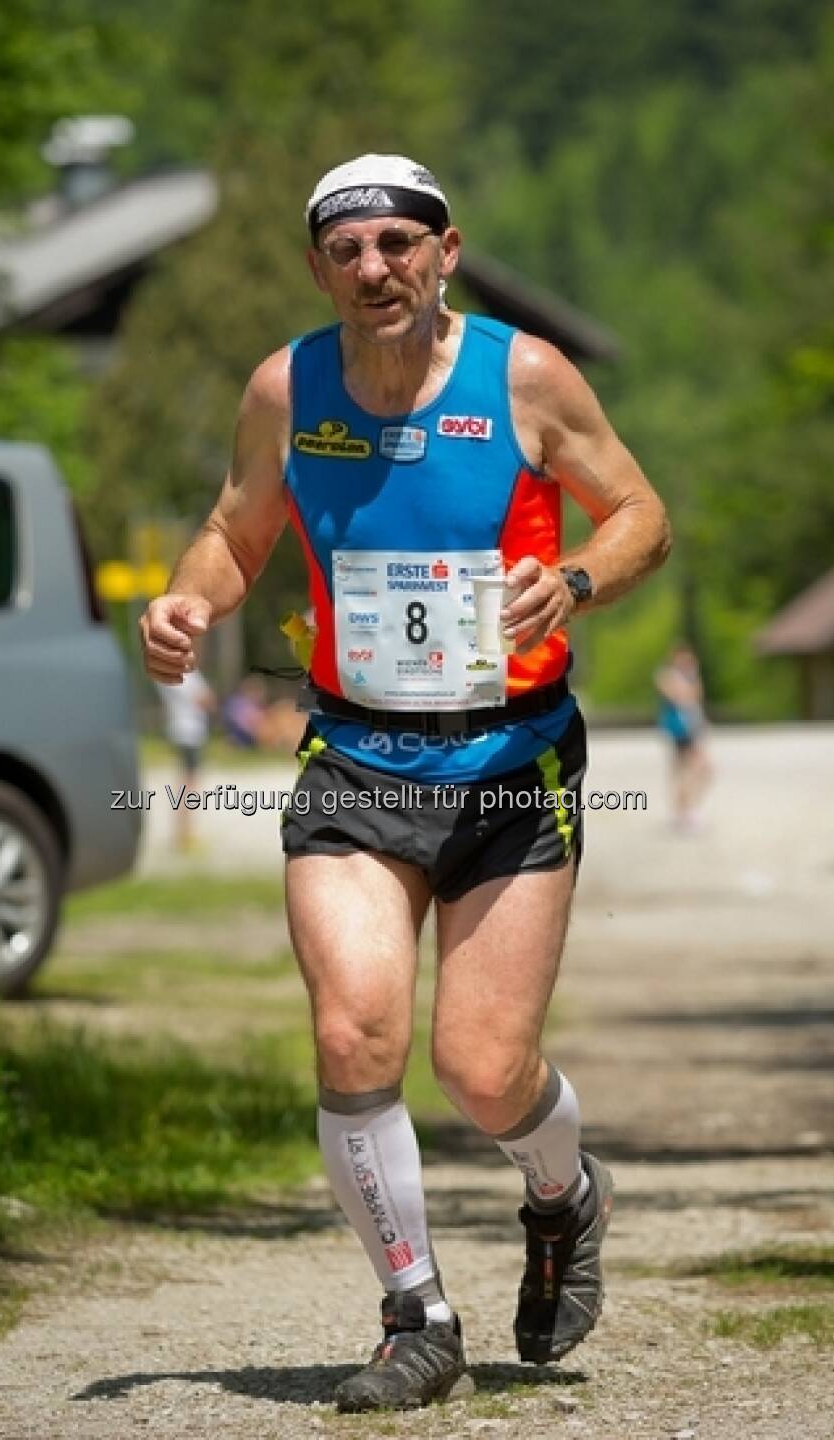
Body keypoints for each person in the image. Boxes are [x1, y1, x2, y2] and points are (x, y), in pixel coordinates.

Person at [140, 154, 671, 1412]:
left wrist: (578, 580)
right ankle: (414, 1314)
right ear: (319, 265)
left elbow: (639, 511)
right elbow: (235, 528)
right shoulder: (288, 386)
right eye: (346, 249)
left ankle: (562, 1194)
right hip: (355, 751)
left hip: (509, 756)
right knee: (350, 1030)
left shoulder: (524, 375)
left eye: (397, 244)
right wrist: (185, 598)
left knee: (484, 1069)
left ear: (443, 252)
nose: (373, 268)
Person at [154, 667, 215, 850]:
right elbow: (203, 699)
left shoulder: (167, 670)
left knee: (186, 782)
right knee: (189, 784)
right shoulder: (183, 672)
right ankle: (184, 833)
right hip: (189, 732)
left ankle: (183, 832)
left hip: (182, 730)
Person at [655, 643, 712, 831]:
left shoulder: (688, 678)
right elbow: (682, 697)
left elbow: (694, 697)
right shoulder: (668, 677)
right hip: (680, 730)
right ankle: (685, 812)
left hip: (689, 728)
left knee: (688, 771)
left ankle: (682, 811)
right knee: (691, 770)